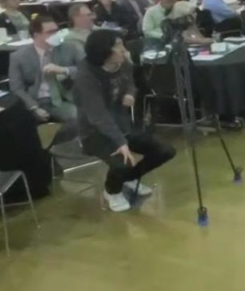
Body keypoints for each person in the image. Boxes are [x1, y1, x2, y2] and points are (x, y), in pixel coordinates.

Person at [74, 29, 176, 212]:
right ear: (104, 52)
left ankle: (127, 179)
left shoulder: (122, 62)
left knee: (165, 151)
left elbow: (130, 81)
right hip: (94, 132)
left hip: (122, 125)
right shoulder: (86, 77)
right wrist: (120, 142)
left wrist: (130, 93)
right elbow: (98, 115)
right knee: (123, 162)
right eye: (118, 46)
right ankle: (112, 190)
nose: (123, 49)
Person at [9, 15, 78, 125]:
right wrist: (33, 107)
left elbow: (84, 70)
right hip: (36, 100)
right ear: (37, 35)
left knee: (77, 115)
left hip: (63, 98)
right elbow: (17, 88)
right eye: (50, 32)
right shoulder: (18, 57)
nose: (56, 35)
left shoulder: (68, 48)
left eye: (56, 30)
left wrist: (64, 70)